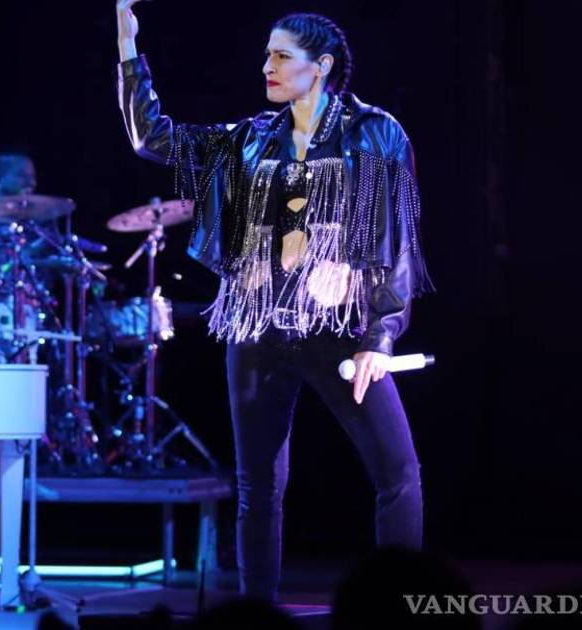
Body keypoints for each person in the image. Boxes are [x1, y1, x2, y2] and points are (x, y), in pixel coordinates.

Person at [116, 4, 434, 602]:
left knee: (398, 474)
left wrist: (380, 336)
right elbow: (152, 138)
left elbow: (395, 240)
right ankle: (256, 612)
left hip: (337, 329)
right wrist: (128, 45)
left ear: (322, 66)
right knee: (257, 486)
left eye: (282, 56)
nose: (267, 65)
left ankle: (398, 605)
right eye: (267, 54)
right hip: (257, 327)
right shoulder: (250, 138)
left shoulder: (375, 132)